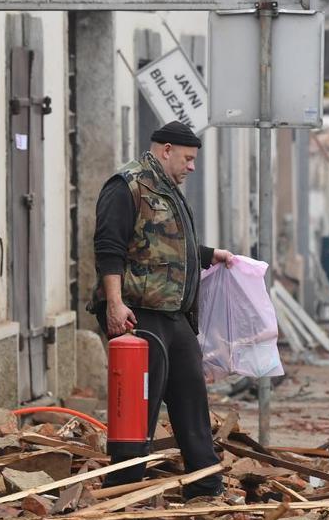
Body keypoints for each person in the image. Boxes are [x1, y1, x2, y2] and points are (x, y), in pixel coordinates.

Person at [92, 121, 235, 498]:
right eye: (188, 159)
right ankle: (122, 491)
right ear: (166, 149)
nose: (192, 167)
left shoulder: (168, 189)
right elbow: (109, 248)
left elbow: (167, 246)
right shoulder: (127, 185)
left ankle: (206, 487)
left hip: (175, 317)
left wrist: (209, 255)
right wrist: (115, 303)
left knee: (192, 399)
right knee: (140, 408)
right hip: (140, 315)